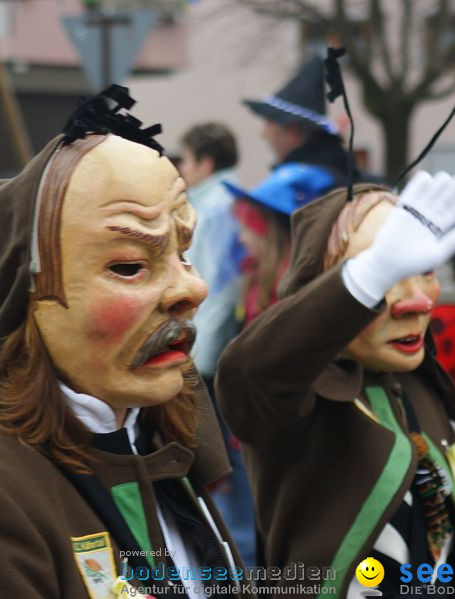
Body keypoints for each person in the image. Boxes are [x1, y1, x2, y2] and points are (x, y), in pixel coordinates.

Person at [0, 87, 255, 599]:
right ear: (33, 300)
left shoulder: (155, 435)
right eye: (129, 265)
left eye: (183, 253)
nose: (192, 288)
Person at [217, 173, 455, 597]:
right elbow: (248, 375)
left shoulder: (419, 385)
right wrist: (367, 276)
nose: (417, 301)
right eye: (385, 272)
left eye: (422, 269)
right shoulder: (298, 397)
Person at [177, 122, 254, 565]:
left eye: (184, 159)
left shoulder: (220, 207)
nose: (180, 169)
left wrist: (197, 358)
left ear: (205, 162)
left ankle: (238, 558)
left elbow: (219, 289)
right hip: (207, 351)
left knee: (225, 461)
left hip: (211, 355)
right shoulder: (210, 203)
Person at [226, 163, 336, 328]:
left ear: (269, 233)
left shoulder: (292, 287)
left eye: (247, 228)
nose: (241, 238)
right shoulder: (257, 272)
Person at [243, 57, 357, 186]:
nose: (263, 134)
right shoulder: (341, 176)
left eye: (269, 123)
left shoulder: (296, 185)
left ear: (293, 131)